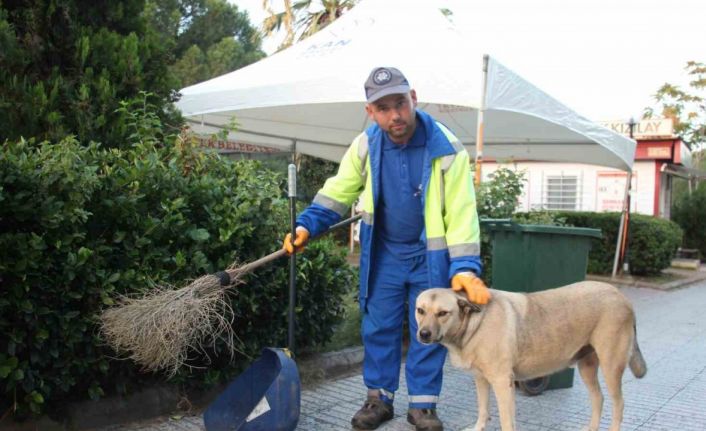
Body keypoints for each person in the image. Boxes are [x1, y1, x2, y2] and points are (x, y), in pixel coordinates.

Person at [283, 67, 490, 431]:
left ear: (414, 98)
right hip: (385, 255)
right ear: (371, 112)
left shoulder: (447, 148)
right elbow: (339, 190)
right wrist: (306, 224)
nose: (395, 115)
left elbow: (461, 213)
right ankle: (378, 399)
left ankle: (423, 406)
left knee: (430, 328)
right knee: (378, 327)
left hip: (430, 258)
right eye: (383, 108)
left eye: (400, 103)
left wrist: (465, 268)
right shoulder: (365, 146)